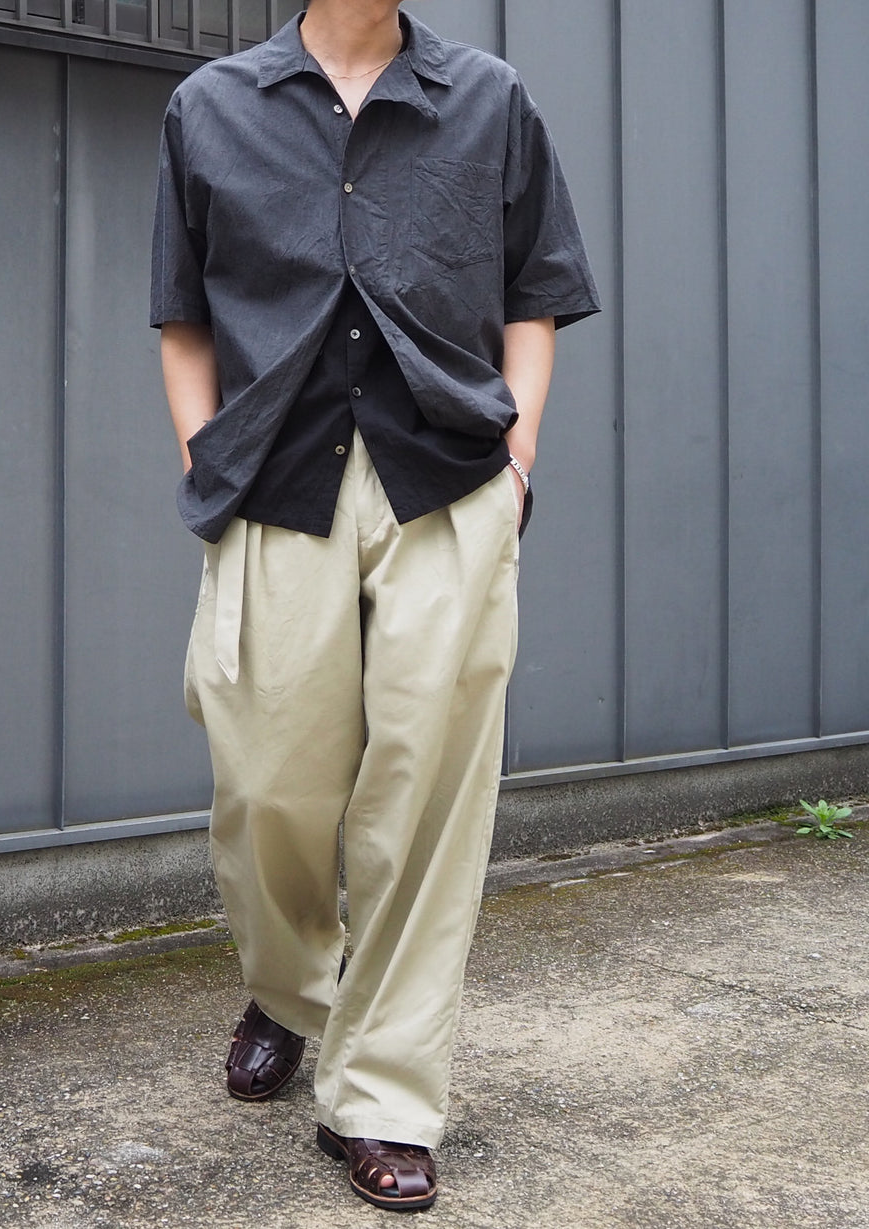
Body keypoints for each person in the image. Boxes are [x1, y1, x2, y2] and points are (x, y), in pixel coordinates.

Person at [151, 0, 599, 1211]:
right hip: (273, 481)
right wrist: (203, 458)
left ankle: (385, 1093)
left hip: (444, 481)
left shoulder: (490, 102)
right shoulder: (210, 108)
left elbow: (535, 291)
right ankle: (291, 980)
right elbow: (183, 313)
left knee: (426, 790)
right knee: (266, 779)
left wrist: (517, 462)